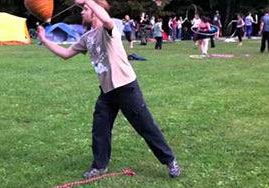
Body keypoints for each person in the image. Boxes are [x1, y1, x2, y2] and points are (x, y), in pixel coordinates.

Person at [37, 0, 181, 180]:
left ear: (96, 11)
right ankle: (99, 166)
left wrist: (87, 0)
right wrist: (44, 39)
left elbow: (106, 19)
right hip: (107, 92)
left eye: (86, 9)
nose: (82, 12)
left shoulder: (109, 30)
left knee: (146, 127)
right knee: (100, 128)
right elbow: (66, 54)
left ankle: (170, 160)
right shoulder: (87, 37)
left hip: (126, 88)